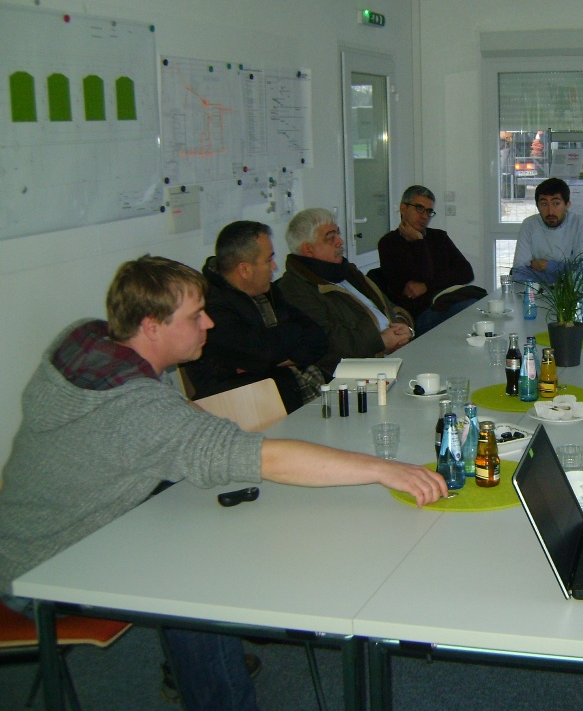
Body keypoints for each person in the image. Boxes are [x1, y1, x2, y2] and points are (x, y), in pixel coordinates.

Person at [0, 255, 447, 711]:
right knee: (195, 580)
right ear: (151, 326)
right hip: (45, 571)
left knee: (212, 513)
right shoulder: (135, 410)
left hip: (30, 533)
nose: (208, 323)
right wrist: (385, 469)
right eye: (195, 316)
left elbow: (165, 421)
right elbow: (260, 456)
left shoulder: (87, 338)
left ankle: (197, 659)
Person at [181, 221, 329, 414]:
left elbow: (318, 338)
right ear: (244, 269)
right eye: (268, 260)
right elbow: (262, 352)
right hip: (249, 408)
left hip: (294, 390)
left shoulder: (267, 290)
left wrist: (281, 356)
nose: (274, 266)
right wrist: (292, 332)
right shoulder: (211, 306)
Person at [278, 208, 415, 362]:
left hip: (396, 352)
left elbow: (386, 306)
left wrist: (403, 324)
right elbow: (326, 341)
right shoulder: (294, 288)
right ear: (308, 249)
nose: (340, 241)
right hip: (363, 365)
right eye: (331, 238)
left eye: (338, 234)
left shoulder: (347, 271)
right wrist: (380, 342)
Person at [377, 185, 478, 335]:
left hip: (446, 301)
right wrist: (419, 242)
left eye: (429, 211)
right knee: (471, 310)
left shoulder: (439, 237)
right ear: (403, 208)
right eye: (419, 208)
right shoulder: (389, 243)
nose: (425, 216)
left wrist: (427, 285)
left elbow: (466, 272)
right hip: (419, 314)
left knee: (480, 306)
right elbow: (417, 281)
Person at [511, 177, 583, 284]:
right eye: (544, 204)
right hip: (537, 293)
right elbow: (518, 274)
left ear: (567, 205)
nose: (550, 211)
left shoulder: (579, 223)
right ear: (537, 206)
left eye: (556, 204)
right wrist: (564, 275)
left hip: (572, 293)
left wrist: (548, 266)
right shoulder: (529, 224)